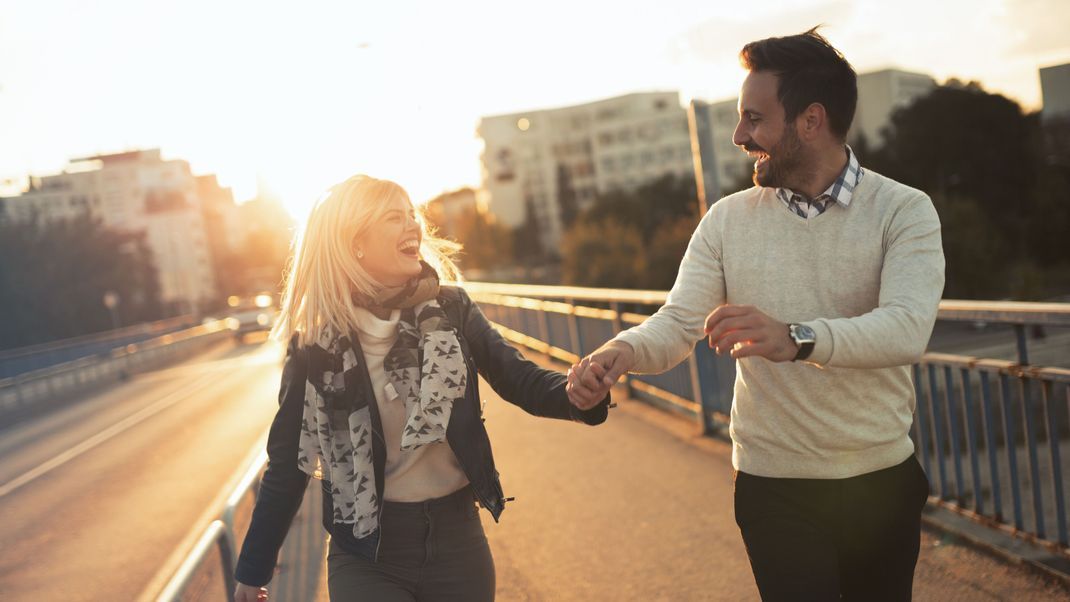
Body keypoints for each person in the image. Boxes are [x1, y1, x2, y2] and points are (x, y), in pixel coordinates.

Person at [566, 28, 945, 601]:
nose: (741, 136)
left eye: (754, 119)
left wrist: (795, 338)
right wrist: (619, 351)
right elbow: (676, 322)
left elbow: (906, 328)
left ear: (811, 120)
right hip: (774, 487)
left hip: (880, 482)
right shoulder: (727, 220)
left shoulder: (903, 211)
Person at [233, 175, 611, 602]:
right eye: (395, 217)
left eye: (412, 215)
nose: (413, 226)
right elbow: (288, 462)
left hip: (458, 545)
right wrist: (253, 571)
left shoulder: (452, 309)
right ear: (355, 241)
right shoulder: (316, 346)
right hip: (367, 557)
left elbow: (518, 378)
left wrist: (580, 396)